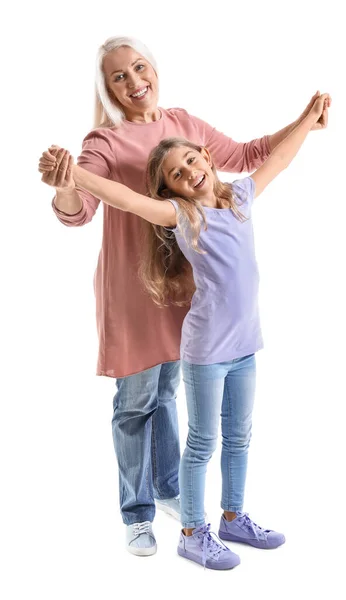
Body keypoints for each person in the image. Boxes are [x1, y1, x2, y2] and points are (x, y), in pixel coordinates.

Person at [38, 34, 330, 557]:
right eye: (118, 77)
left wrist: (308, 118)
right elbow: (83, 208)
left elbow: (254, 155)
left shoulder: (188, 129)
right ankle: (137, 512)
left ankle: (172, 491)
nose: (133, 82)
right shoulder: (104, 142)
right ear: (105, 90)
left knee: (169, 394)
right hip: (132, 291)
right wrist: (67, 179)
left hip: (191, 293)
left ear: (154, 68)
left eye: (138, 67)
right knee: (136, 403)